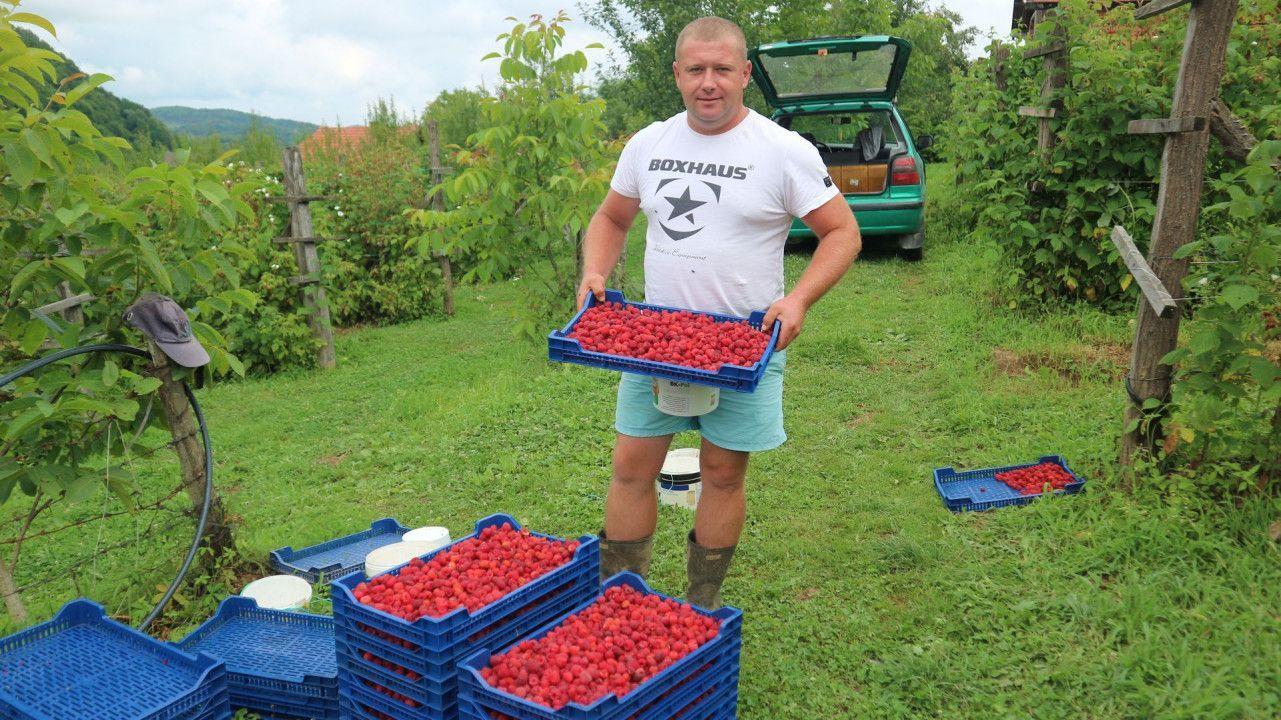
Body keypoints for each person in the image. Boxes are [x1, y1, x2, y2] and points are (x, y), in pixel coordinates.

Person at [575, 16, 860, 609]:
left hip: (744, 344)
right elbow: (610, 218)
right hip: (655, 340)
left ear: (745, 75)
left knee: (724, 473)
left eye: (722, 70)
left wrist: (797, 299)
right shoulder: (649, 144)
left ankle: (699, 605)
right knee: (631, 466)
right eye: (696, 70)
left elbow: (842, 233)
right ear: (677, 74)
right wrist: (594, 272)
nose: (709, 83)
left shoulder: (784, 152)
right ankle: (620, 600)